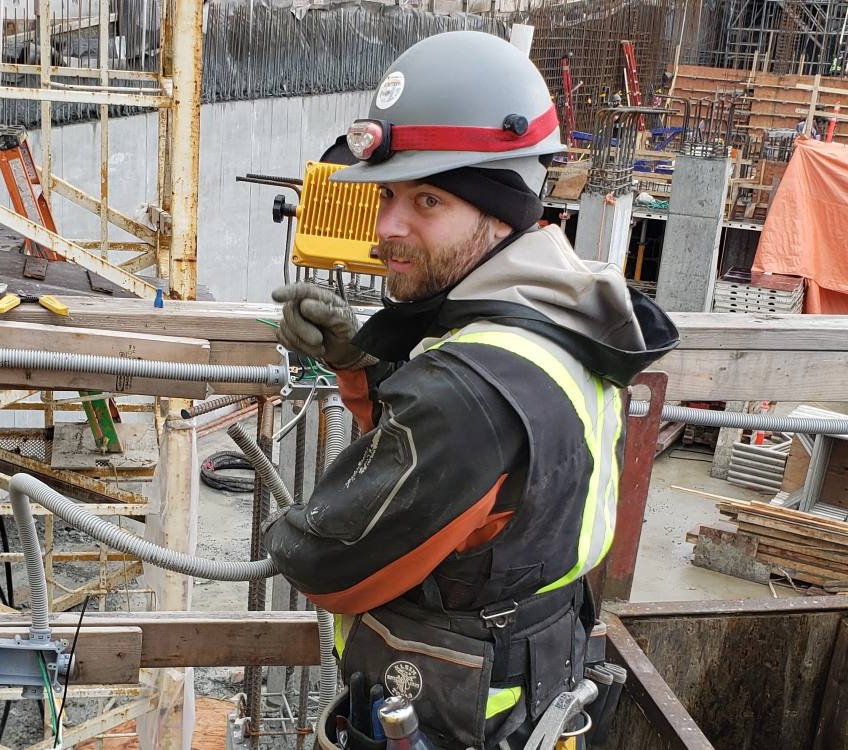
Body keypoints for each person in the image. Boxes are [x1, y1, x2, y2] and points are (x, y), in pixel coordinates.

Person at [265, 30, 678, 750]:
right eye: (388, 194)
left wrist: (292, 526)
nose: (385, 228)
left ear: (501, 208)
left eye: (426, 201)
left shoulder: (465, 393)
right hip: (537, 691)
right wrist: (359, 362)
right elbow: (493, 487)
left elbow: (327, 563)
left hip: (456, 720)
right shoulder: (561, 314)